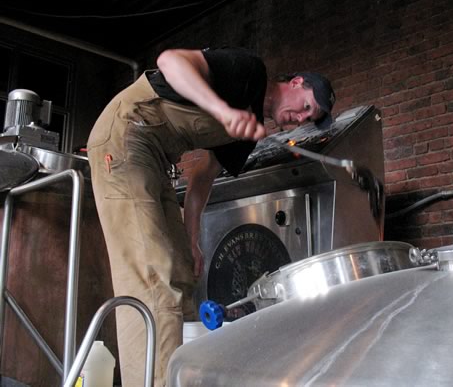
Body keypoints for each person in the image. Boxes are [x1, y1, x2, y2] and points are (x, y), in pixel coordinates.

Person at [87, 46, 335, 387]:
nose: (302, 117)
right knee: (155, 275)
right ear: (295, 82)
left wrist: (192, 238)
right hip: (126, 134)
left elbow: (201, 178)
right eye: (307, 106)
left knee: (181, 273)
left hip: (155, 159)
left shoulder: (248, 128)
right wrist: (221, 109)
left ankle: (179, 378)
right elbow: (169, 62)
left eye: (309, 118)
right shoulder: (250, 72)